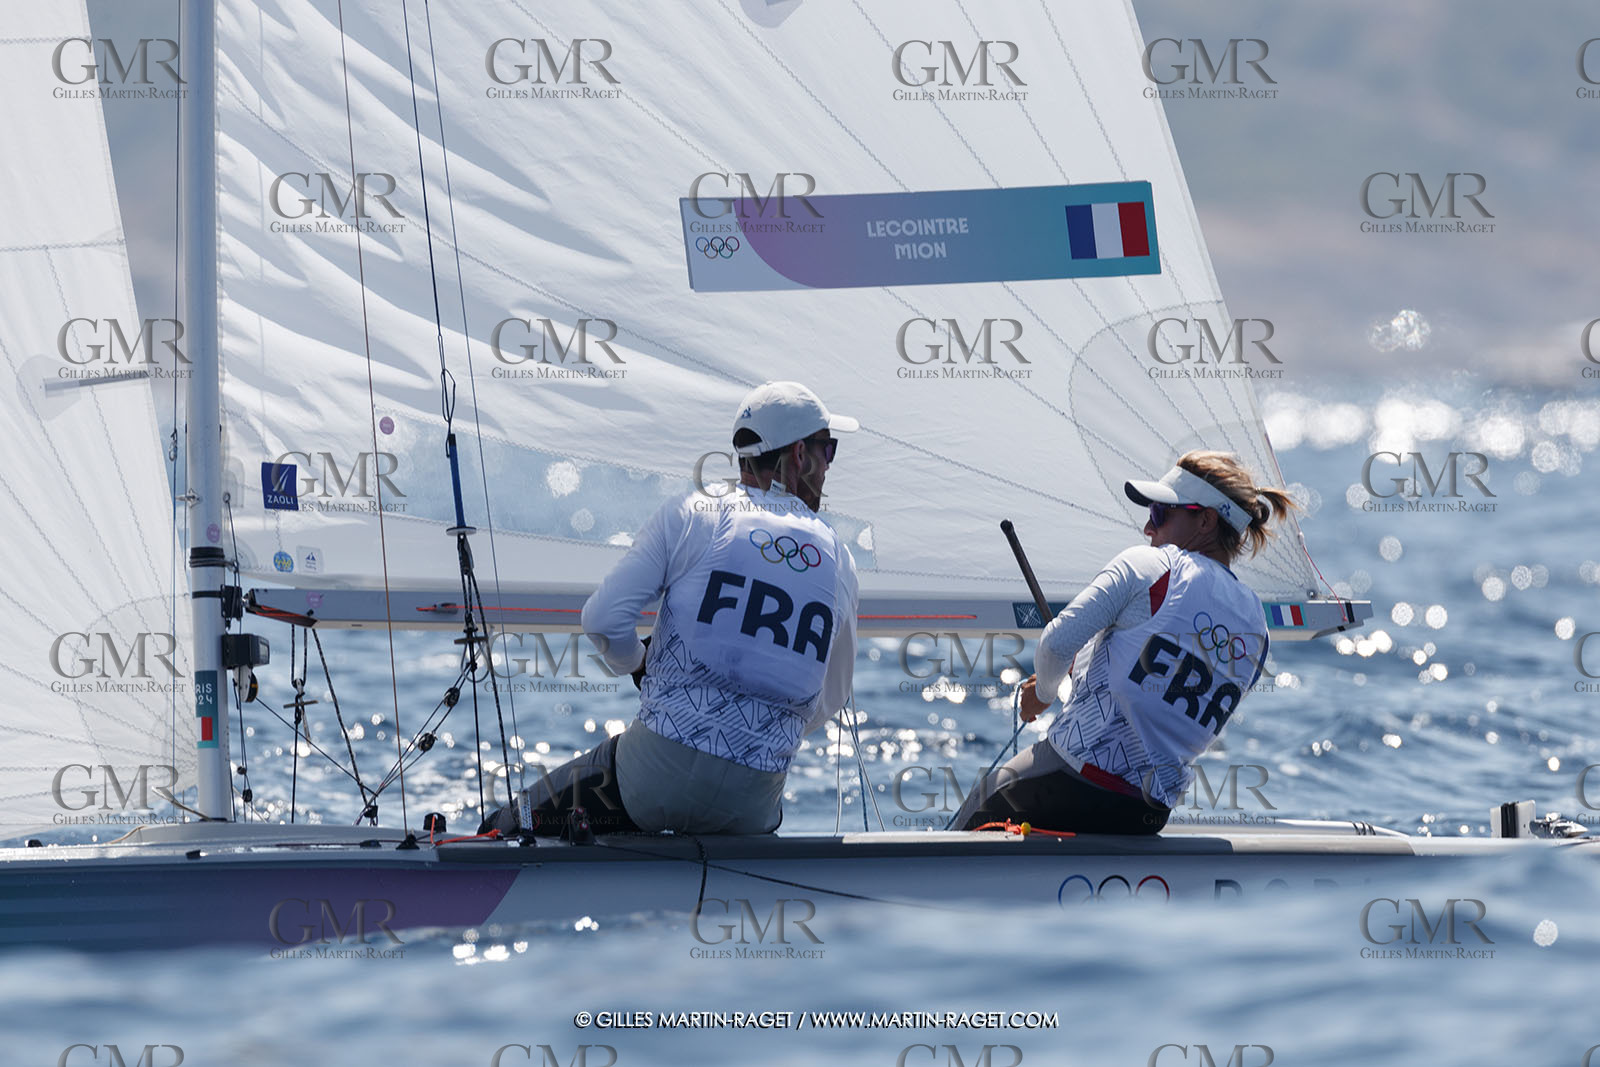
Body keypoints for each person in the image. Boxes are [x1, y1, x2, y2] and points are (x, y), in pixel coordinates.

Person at [482, 381, 860, 837]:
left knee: (507, 825)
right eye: (829, 449)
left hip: (648, 787)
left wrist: (637, 663)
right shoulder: (841, 562)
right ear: (800, 454)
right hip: (753, 809)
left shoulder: (694, 514)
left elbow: (602, 620)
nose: (828, 467)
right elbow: (829, 699)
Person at [952, 451, 1294, 835]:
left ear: (1206, 519)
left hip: (1068, 783)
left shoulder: (1150, 566)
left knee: (988, 795)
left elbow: (1055, 645)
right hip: (1144, 815)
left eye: (1161, 513)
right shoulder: (1258, 629)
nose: (1149, 527)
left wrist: (1045, 693)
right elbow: (1158, 704)